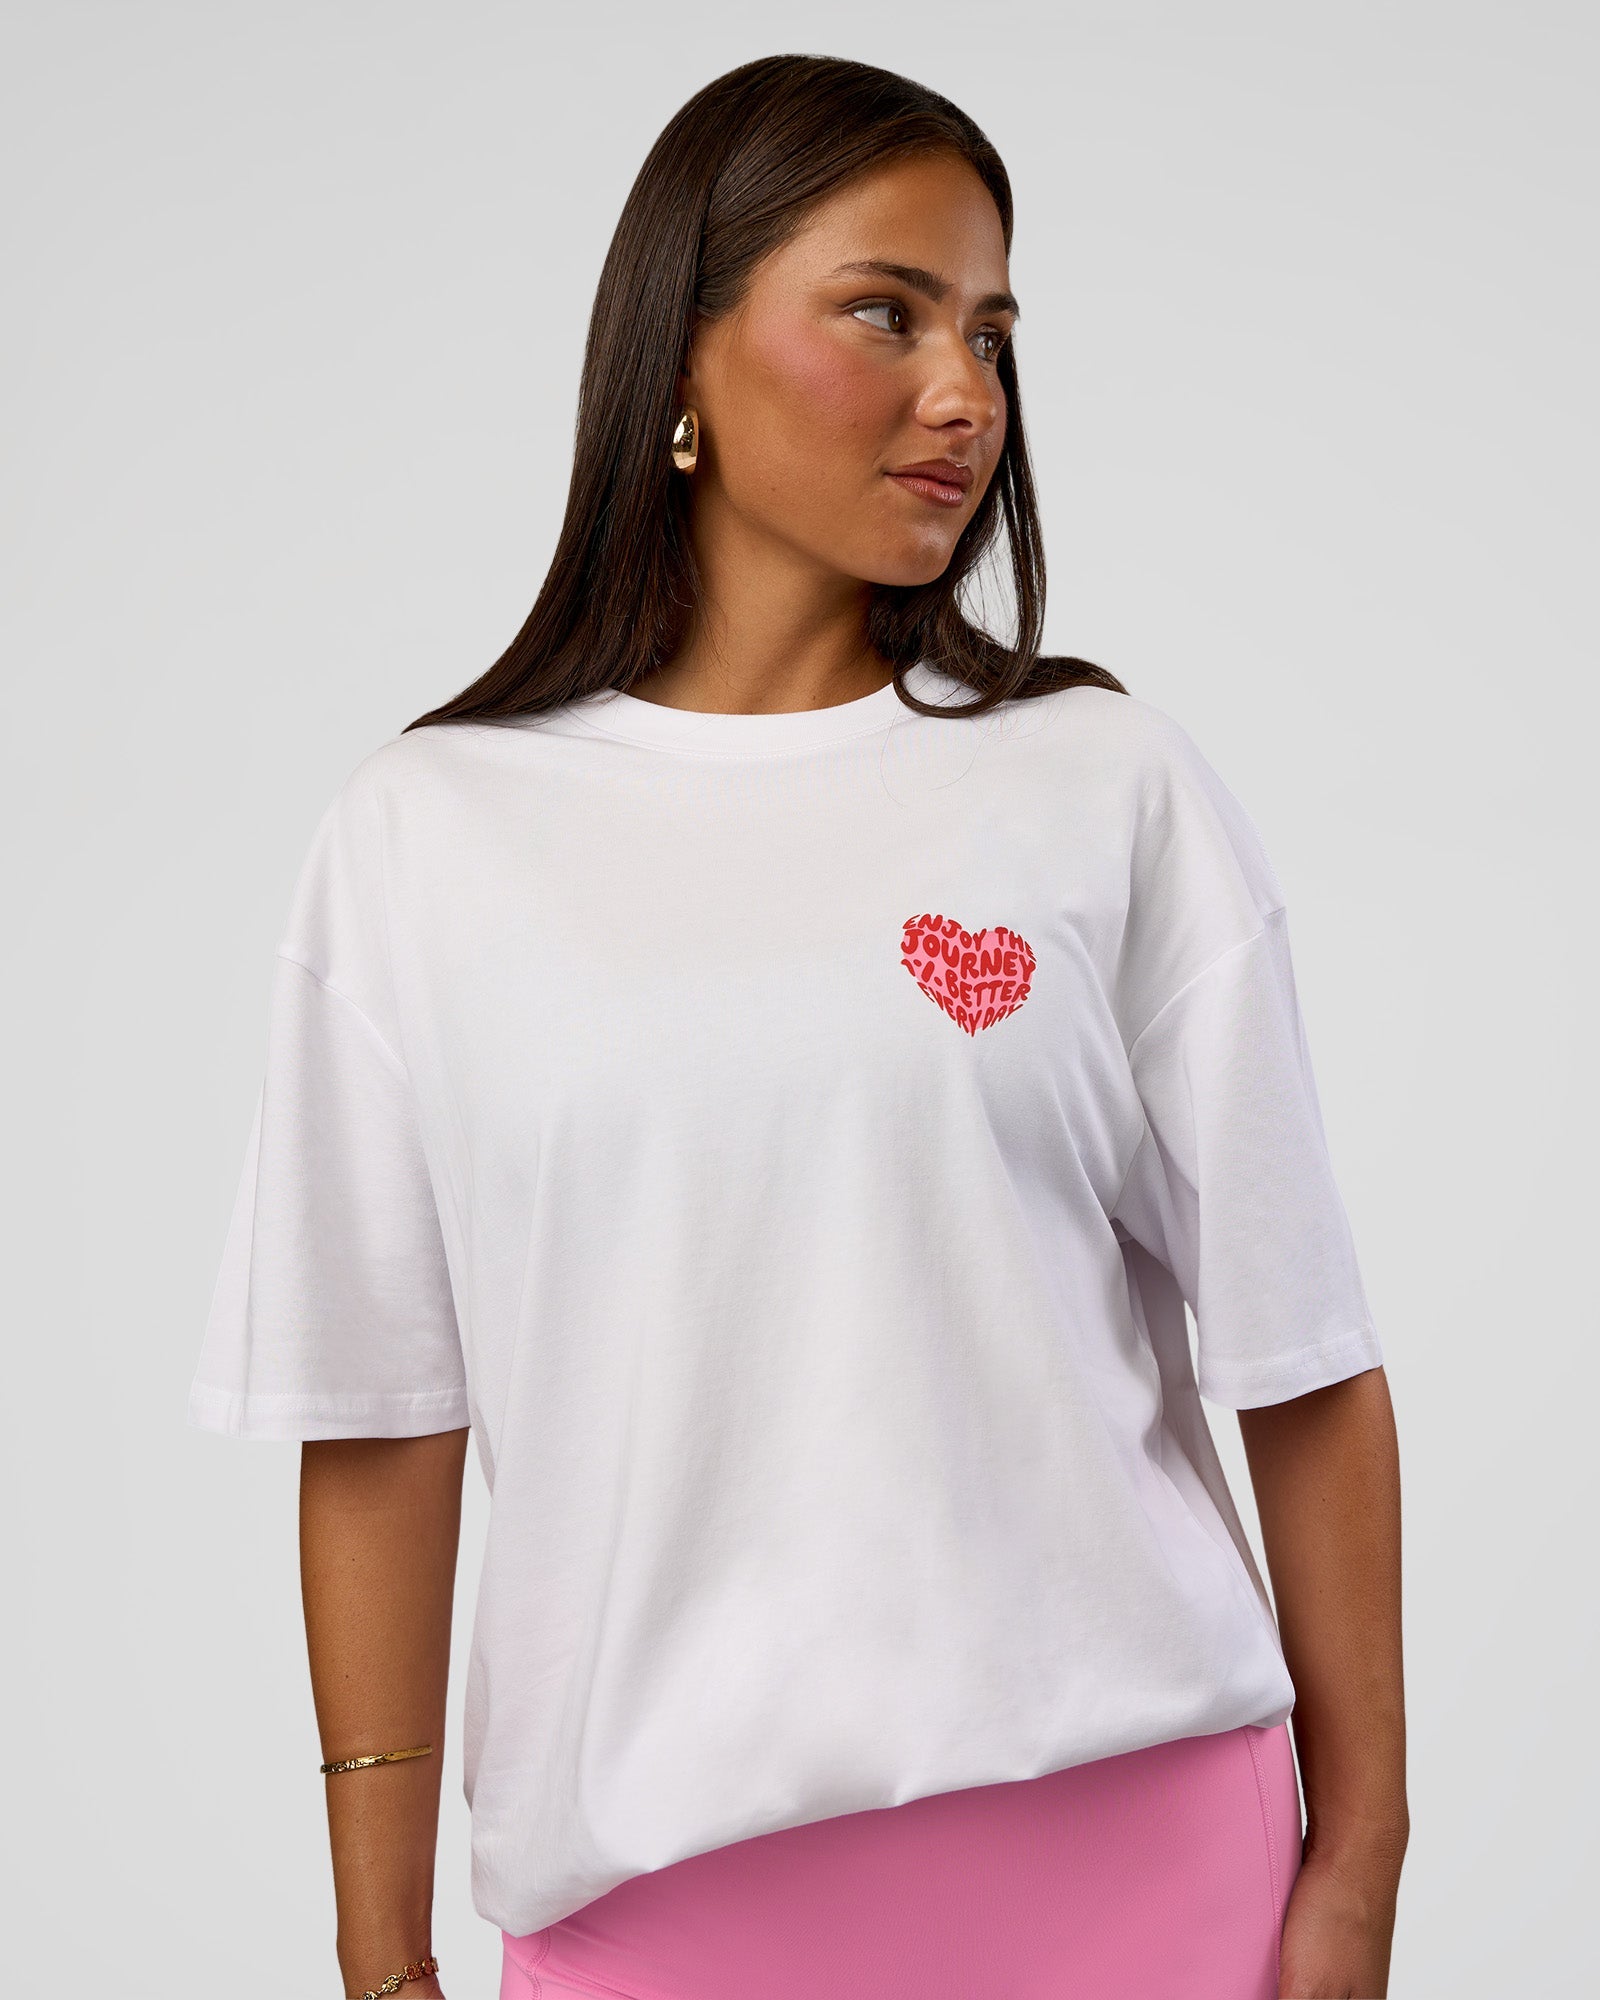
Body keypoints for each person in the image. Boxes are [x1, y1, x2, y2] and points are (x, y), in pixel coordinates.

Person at [187, 52, 1408, 2000]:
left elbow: (1303, 1357)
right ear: (680, 352)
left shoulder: (1102, 788)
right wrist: (381, 1955)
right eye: (886, 313)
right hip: (655, 1905)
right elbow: (381, 1421)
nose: (965, 396)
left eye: (990, 333)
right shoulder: (426, 839)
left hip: (1144, 1859)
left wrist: (1355, 1870)